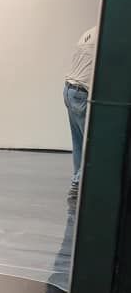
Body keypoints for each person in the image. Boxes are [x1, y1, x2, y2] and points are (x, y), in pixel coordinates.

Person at [64, 25, 97, 200]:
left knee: (79, 142)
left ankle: (78, 184)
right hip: (82, 94)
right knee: (93, 144)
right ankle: (80, 185)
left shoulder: (89, 32)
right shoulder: (106, 36)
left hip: (69, 90)